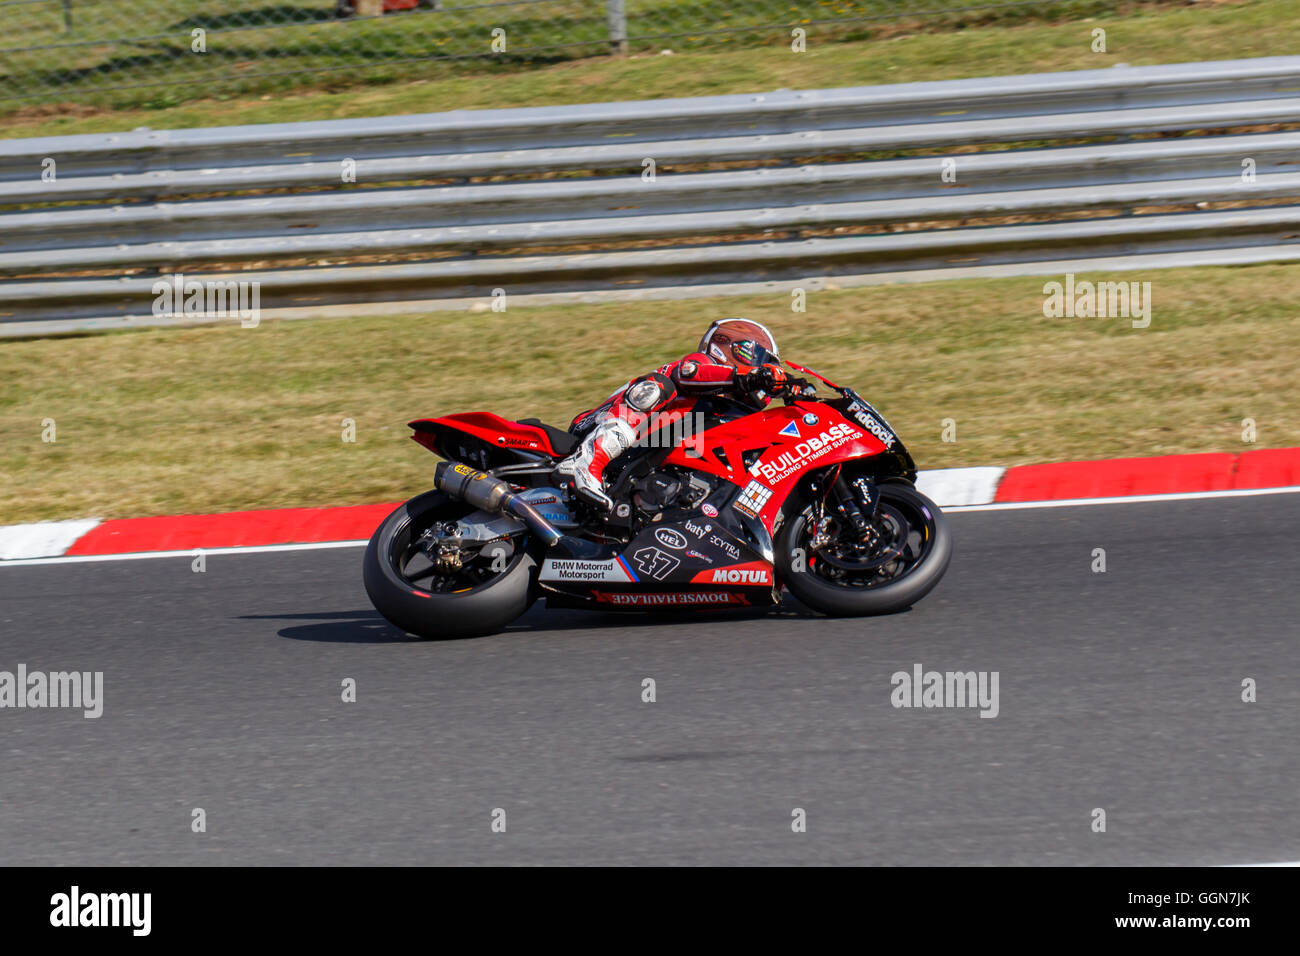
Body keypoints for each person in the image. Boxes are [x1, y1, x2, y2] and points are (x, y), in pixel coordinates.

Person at [554, 318, 788, 510]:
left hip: (643, 449)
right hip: (593, 426)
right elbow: (690, 373)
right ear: (738, 348)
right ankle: (588, 461)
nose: (766, 372)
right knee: (658, 386)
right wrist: (746, 377)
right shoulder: (700, 365)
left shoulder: (719, 408)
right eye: (763, 362)